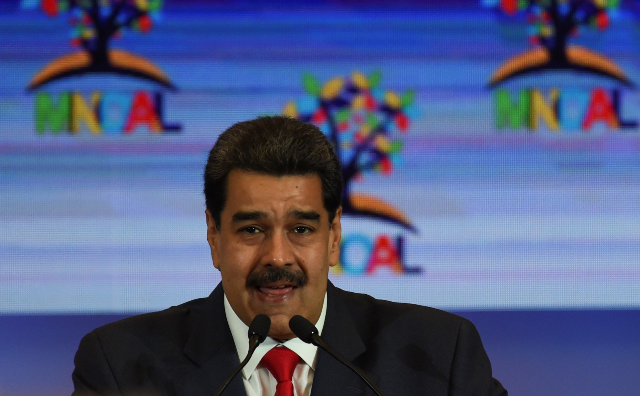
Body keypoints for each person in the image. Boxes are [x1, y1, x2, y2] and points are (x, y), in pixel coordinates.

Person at [72, 115, 507, 396]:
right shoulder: (121, 369)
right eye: (251, 230)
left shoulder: (436, 356)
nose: (277, 256)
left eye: (301, 229)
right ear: (214, 236)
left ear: (333, 236)